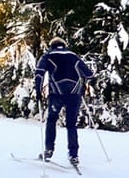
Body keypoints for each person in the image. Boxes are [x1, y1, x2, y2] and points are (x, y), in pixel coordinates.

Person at [35, 38, 96, 168]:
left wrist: (38, 91)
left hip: (56, 94)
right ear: (64, 45)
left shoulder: (48, 56)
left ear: (52, 45)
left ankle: (48, 150)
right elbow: (90, 74)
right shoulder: (73, 56)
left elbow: (39, 74)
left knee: (51, 120)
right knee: (71, 124)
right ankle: (74, 155)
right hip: (74, 94)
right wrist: (84, 85)